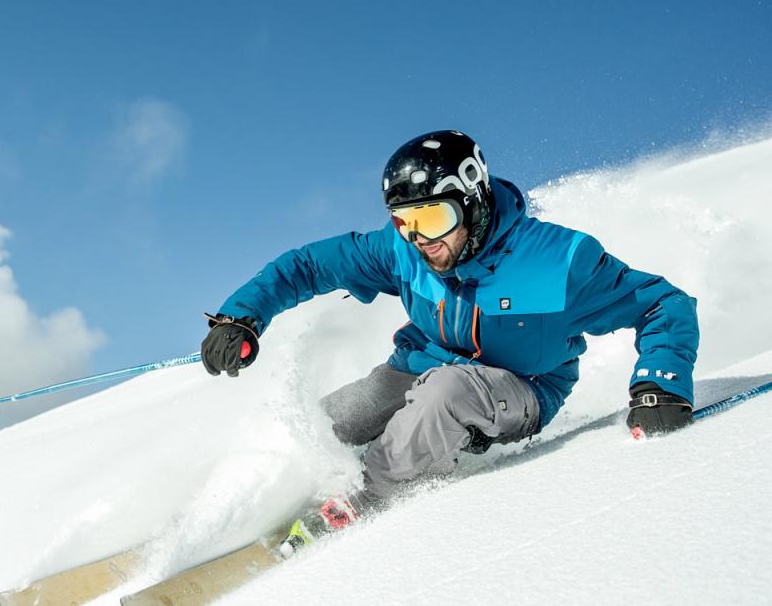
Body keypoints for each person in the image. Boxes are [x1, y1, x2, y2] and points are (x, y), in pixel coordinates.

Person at [199, 130, 699, 554]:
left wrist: (661, 383)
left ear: (473, 199)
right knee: (330, 421)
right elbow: (309, 264)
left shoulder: (559, 262)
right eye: (405, 221)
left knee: (445, 395)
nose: (420, 238)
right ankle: (261, 502)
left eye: (433, 219)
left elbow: (662, 303)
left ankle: (363, 501)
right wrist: (241, 318)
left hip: (522, 386)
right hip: (420, 364)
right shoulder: (405, 251)